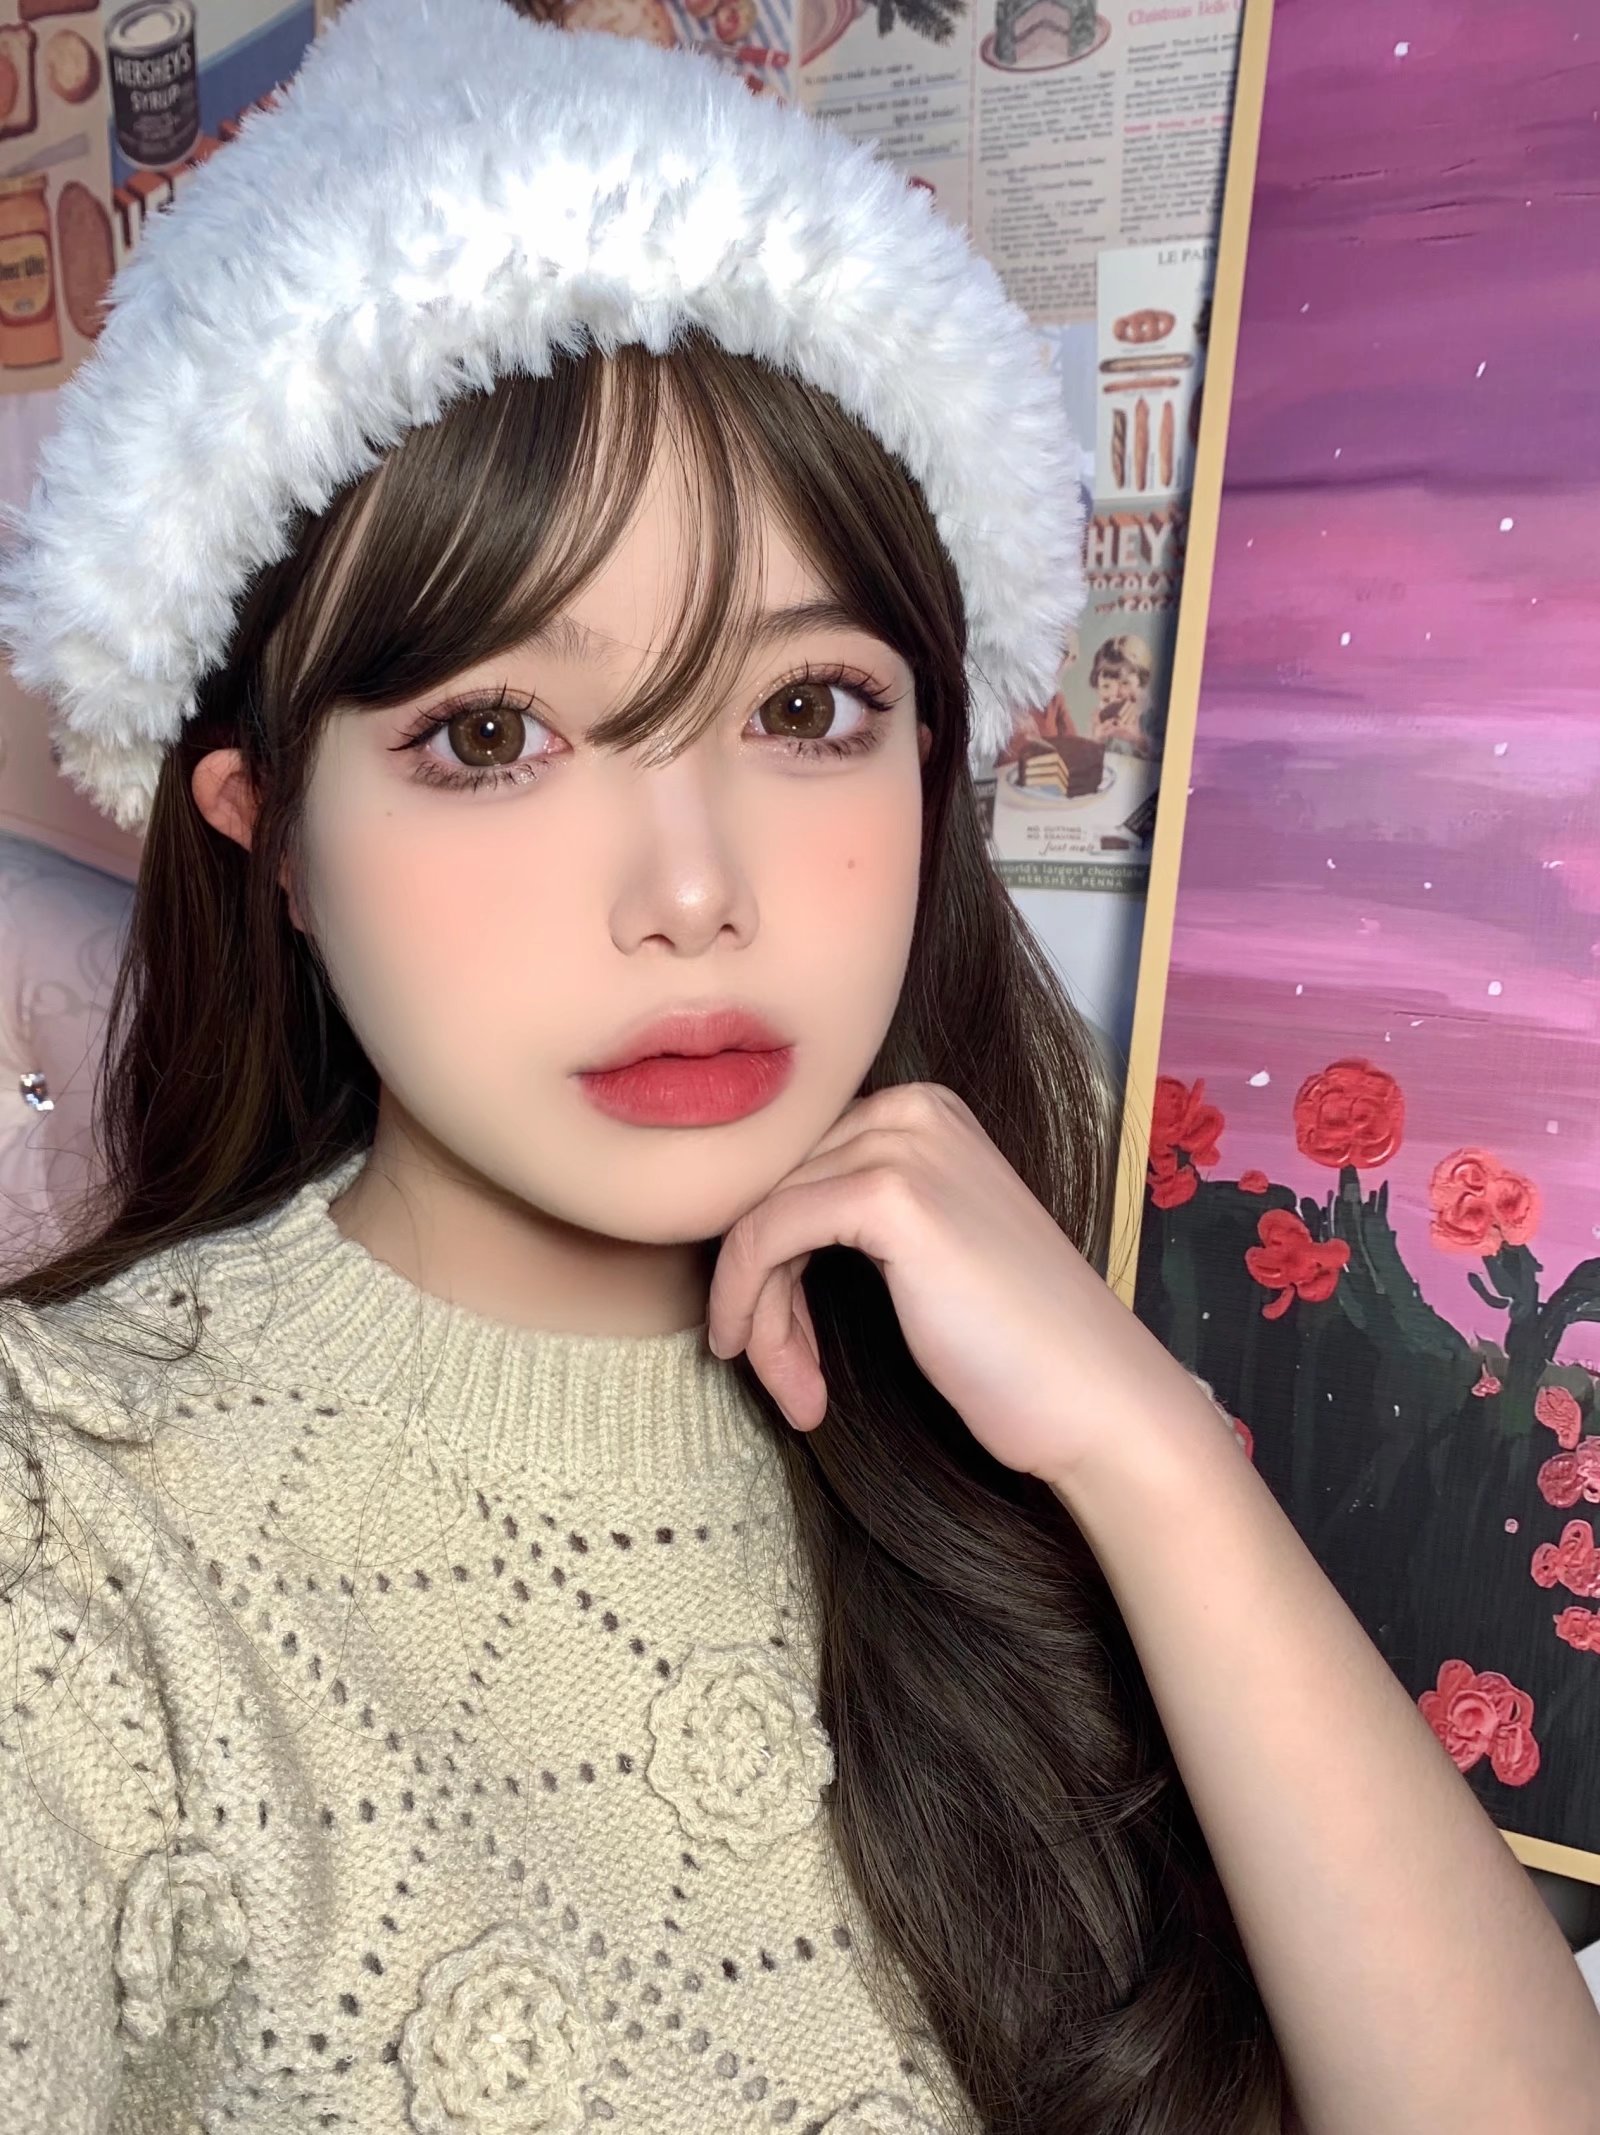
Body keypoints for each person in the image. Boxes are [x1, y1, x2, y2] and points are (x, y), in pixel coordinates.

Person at [0, 1, 1595, 2130]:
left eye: (804, 709)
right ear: (269, 835)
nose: (693, 893)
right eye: (494, 734)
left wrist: (1144, 1455)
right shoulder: (69, 1526)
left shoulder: (1006, 1392)